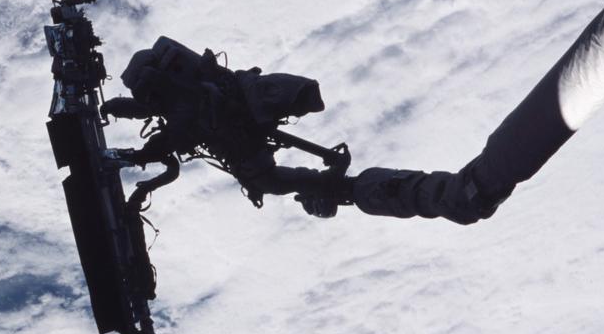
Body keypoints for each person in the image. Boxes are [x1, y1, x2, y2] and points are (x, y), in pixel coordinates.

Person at [103, 37, 507, 225]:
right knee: (282, 181)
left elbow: (174, 134)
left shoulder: (190, 101)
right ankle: (448, 194)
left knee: (279, 181)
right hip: (249, 144)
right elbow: (166, 124)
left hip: (249, 144)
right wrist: (115, 111)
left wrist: (136, 154)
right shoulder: (185, 98)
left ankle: (452, 194)